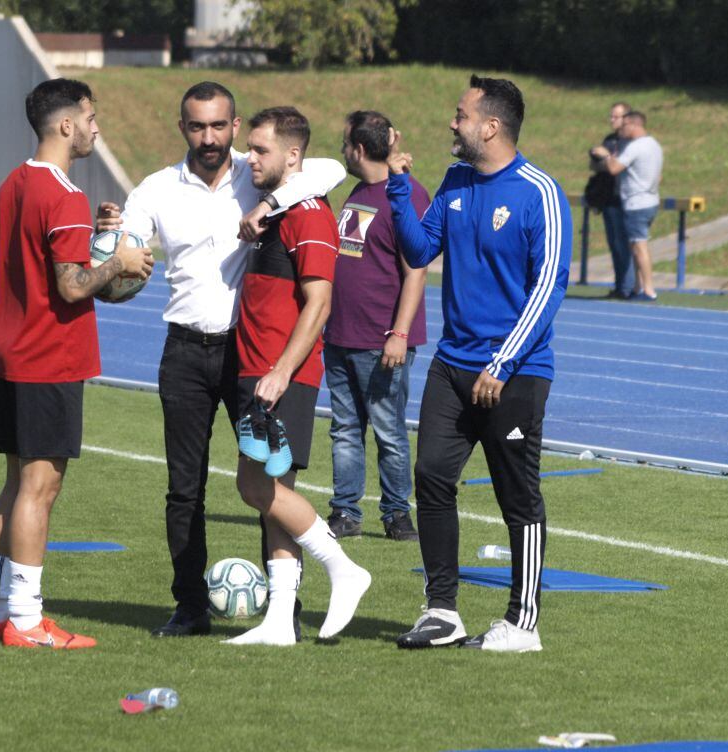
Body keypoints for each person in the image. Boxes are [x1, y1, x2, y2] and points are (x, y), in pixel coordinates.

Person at [95, 83, 345, 638]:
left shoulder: (258, 172)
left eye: (218, 126)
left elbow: (326, 167)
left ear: (234, 127)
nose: (208, 138)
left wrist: (270, 203)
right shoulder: (156, 189)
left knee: (270, 484)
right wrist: (111, 250)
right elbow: (124, 266)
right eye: (195, 126)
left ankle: (286, 610)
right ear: (181, 127)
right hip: (184, 351)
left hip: (246, 353)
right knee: (185, 488)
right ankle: (189, 608)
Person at [386, 75, 571, 653]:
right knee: (432, 477)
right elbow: (420, 250)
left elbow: (548, 285)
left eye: (460, 114)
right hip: (452, 365)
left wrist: (503, 361)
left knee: (518, 495)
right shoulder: (456, 180)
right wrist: (398, 190)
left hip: (514, 373)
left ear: (490, 126)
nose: (452, 122)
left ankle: (523, 623)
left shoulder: (539, 191)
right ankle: (442, 611)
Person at [0, 78, 154, 648]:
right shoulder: (64, 193)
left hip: (8, 351)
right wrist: (120, 260)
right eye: (91, 117)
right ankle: (26, 622)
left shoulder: (13, 183)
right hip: (46, 357)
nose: (97, 128)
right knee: (39, 489)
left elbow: (42, 259)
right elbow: (73, 287)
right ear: (67, 124)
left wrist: (93, 244)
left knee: (12, 486)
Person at [228, 106, 372, 646]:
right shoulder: (279, 206)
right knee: (272, 496)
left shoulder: (308, 212)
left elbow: (320, 300)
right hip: (256, 366)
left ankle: (343, 568)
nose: (250, 158)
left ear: (292, 155)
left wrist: (282, 371)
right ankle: (279, 620)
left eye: (261, 150)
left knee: (253, 484)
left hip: (278, 372)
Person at [324, 110, 429, 543]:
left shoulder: (406, 193)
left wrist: (399, 334)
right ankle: (345, 511)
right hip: (341, 334)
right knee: (345, 429)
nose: (342, 151)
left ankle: (396, 514)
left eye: (346, 143)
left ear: (360, 149)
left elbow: (416, 269)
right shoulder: (360, 190)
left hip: (380, 339)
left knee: (388, 430)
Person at [591, 110, 663, 301]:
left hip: (636, 203)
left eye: (624, 126)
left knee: (639, 246)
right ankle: (638, 287)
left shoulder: (636, 147)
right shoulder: (654, 145)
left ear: (634, 125)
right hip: (650, 199)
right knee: (635, 246)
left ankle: (648, 289)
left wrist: (605, 155)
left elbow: (614, 168)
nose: (620, 129)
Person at [585, 102, 634, 299]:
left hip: (626, 199)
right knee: (614, 244)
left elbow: (620, 166)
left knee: (625, 245)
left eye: (616, 116)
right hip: (608, 198)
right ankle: (620, 284)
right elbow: (595, 165)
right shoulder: (609, 139)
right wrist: (606, 161)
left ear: (626, 118)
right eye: (611, 116)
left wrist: (607, 158)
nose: (612, 120)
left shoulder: (631, 142)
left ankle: (628, 287)